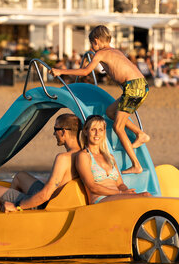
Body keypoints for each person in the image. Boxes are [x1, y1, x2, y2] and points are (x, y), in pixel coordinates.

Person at [51, 25, 150, 174]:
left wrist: (61, 71)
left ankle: (136, 164)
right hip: (141, 85)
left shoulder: (101, 54)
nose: (92, 47)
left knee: (118, 127)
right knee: (110, 112)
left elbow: (85, 72)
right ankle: (140, 134)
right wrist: (94, 57)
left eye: (92, 44)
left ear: (96, 41)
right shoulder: (114, 51)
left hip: (133, 87)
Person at [0, 114, 82, 212]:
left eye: (55, 129)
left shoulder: (63, 158)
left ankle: (5, 216)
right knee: (20, 176)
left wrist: (17, 206)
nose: (54, 133)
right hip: (53, 198)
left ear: (63, 131)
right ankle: (12, 216)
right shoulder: (82, 154)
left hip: (45, 204)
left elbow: (45, 195)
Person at [76, 115, 146, 204]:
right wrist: (121, 193)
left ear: (104, 132)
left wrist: (128, 192)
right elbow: (92, 186)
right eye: (93, 129)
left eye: (101, 130)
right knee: (145, 196)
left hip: (117, 198)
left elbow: (120, 184)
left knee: (145, 198)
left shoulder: (110, 157)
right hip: (100, 200)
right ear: (86, 131)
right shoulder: (84, 156)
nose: (97, 133)